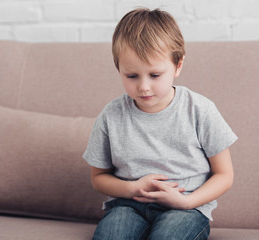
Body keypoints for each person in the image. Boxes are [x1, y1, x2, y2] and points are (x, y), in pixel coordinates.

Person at [83, 8, 237, 240]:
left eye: (155, 75)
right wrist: (132, 189)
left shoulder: (200, 110)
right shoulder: (110, 116)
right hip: (127, 206)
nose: (143, 87)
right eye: (131, 76)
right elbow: (98, 178)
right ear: (119, 69)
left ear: (178, 66)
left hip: (185, 209)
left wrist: (187, 201)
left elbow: (224, 174)